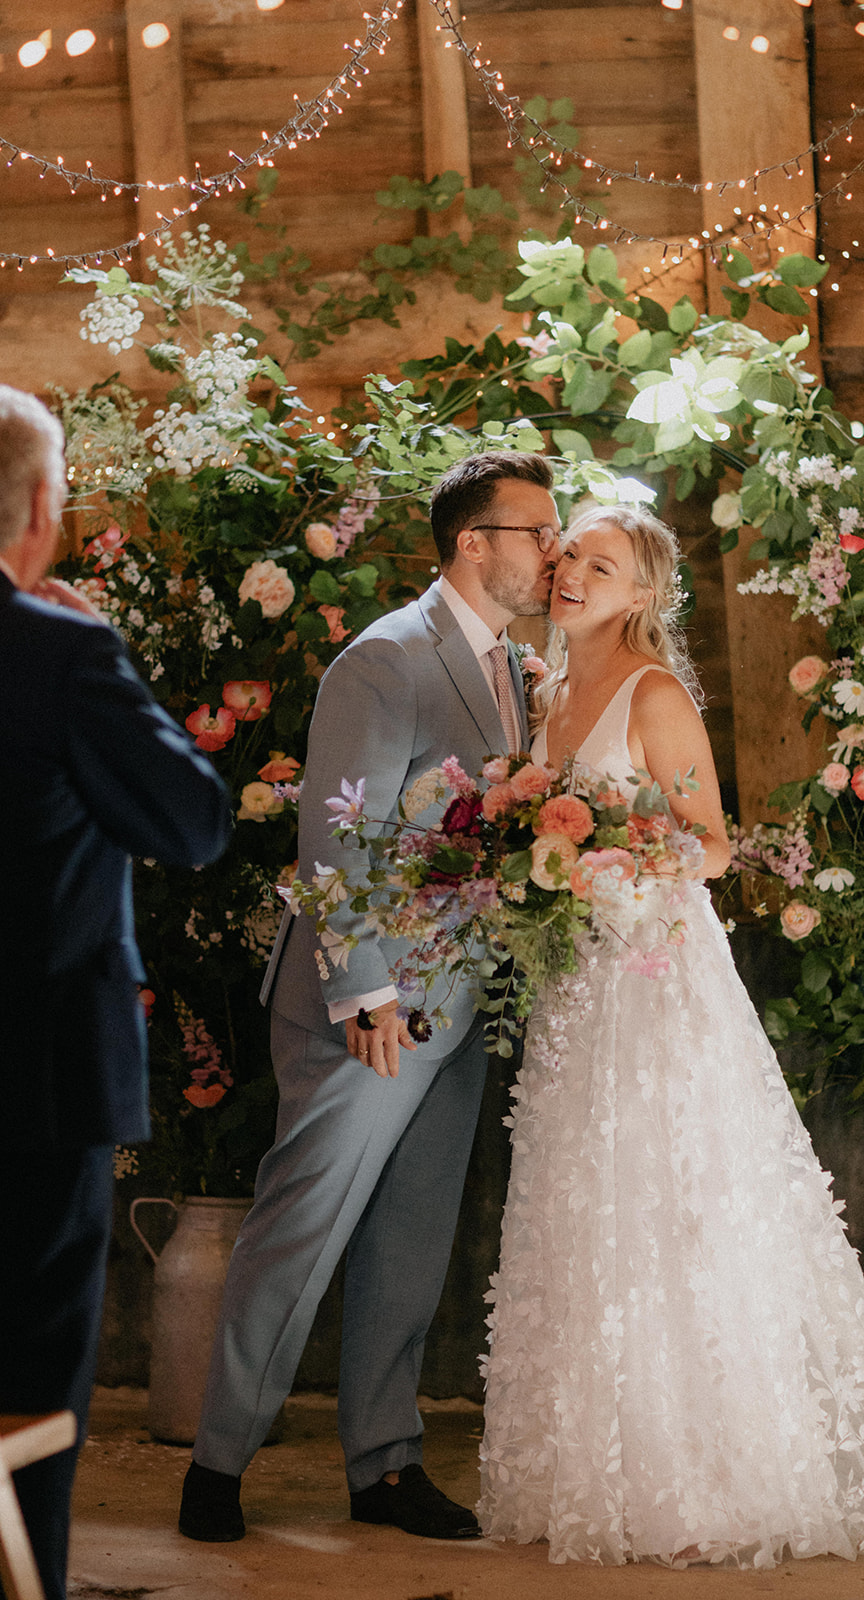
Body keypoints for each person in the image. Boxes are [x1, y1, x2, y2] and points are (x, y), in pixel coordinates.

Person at [477, 504, 864, 1570]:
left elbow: (709, 847)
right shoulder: (546, 689)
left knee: (672, 1203)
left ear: (642, 592)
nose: (569, 576)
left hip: (653, 981)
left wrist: (608, 858)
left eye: (597, 566)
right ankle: (583, 1466)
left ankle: (700, 1470)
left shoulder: (651, 695)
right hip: (575, 990)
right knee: (584, 1200)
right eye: (568, 558)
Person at [179, 450, 561, 1543]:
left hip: (462, 1001)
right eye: (532, 531)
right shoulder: (385, 657)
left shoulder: (514, 668)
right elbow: (333, 831)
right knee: (299, 1230)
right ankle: (216, 1467)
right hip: (374, 1009)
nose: (549, 550)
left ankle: (384, 1466)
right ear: (471, 541)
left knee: (411, 1237)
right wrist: (364, 992)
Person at [0, 384, 231, 1600]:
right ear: (40, 510)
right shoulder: (58, 653)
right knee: (32, 1365)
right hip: (36, 1075)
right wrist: (111, 660)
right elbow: (191, 820)